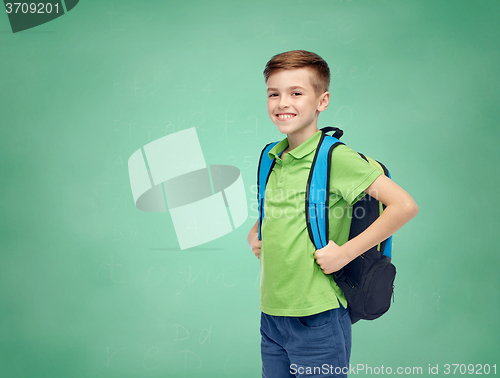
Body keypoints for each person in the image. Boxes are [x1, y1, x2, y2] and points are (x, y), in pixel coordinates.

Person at [247, 50, 419, 378]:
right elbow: (278, 204)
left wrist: (346, 253)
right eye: (274, 93)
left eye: (296, 93)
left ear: (322, 101)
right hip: (271, 315)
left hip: (318, 317)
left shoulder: (336, 159)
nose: (283, 102)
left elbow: (404, 206)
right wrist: (257, 231)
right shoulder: (271, 156)